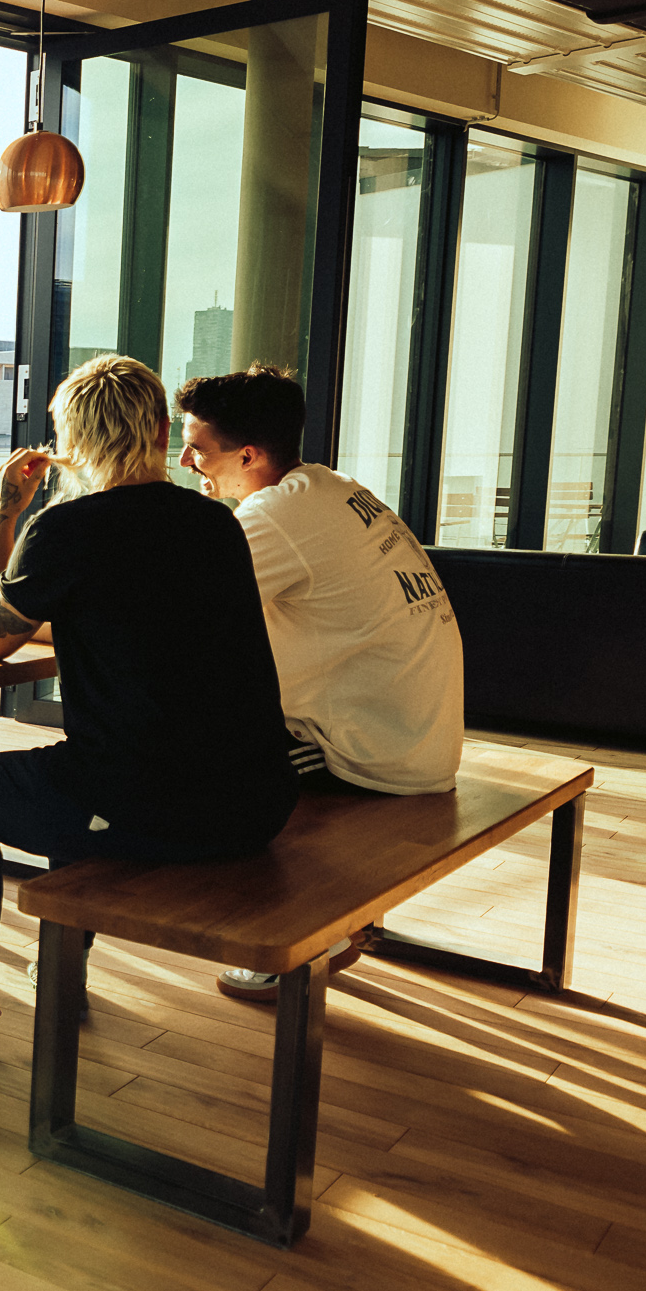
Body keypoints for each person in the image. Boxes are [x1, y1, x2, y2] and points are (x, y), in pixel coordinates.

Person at [0, 352, 294, 1060]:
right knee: (74, 765)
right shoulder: (217, 523)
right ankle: (67, 968)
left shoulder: (67, 529)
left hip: (162, 809)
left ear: (73, 445)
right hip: (258, 801)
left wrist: (7, 515)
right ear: (158, 430)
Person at [174, 364, 462, 1002]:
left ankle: (298, 938)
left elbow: (175, 612)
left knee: (195, 758)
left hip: (372, 755)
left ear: (248, 454)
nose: (187, 459)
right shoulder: (328, 489)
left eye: (197, 445)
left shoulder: (272, 516)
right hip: (416, 736)